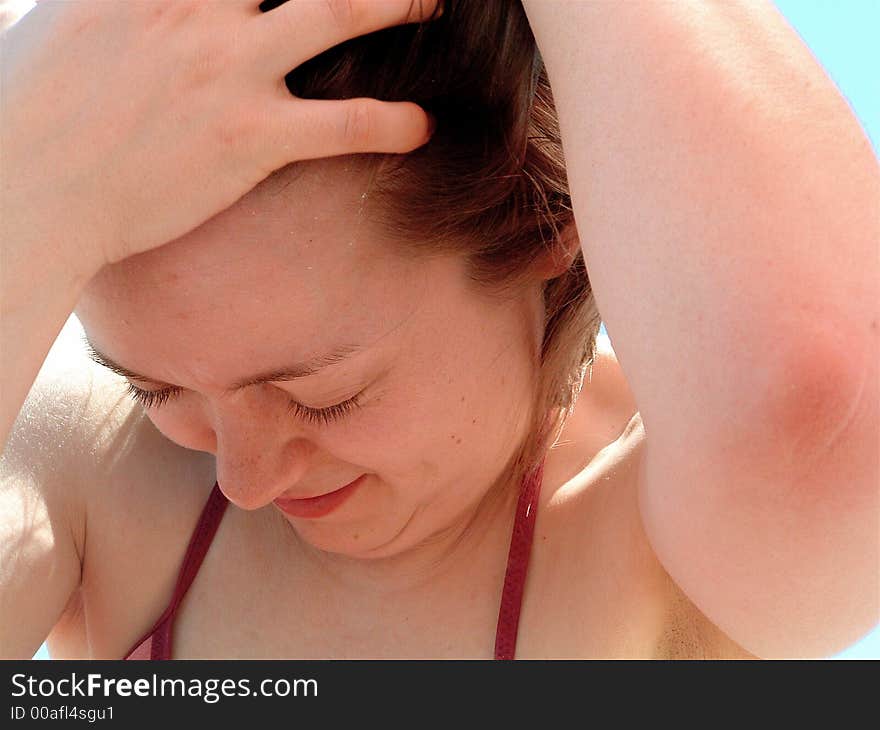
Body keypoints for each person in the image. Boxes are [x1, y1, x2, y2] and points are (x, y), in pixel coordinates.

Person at [1, 0, 876, 660]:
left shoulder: (651, 552)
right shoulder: (82, 458)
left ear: (542, 223)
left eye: (326, 397)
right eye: (154, 387)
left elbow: (812, 414)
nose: (244, 476)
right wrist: (24, 177)